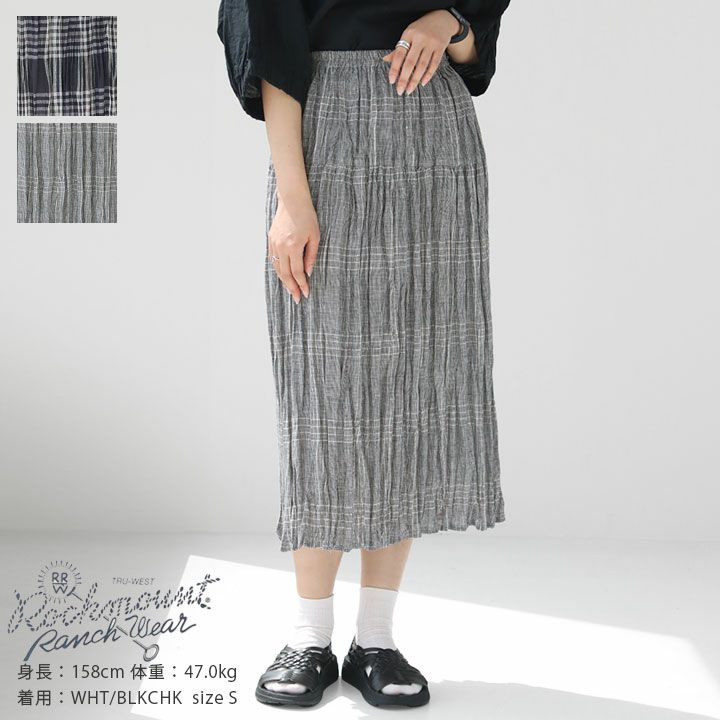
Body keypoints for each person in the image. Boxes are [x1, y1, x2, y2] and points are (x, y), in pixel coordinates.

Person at [217, 0, 511, 708]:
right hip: (322, 130)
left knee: (410, 380)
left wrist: (450, 22)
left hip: (431, 135)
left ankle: (375, 638)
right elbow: (272, 48)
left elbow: (477, 38)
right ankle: (309, 634)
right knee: (322, 387)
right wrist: (292, 197)